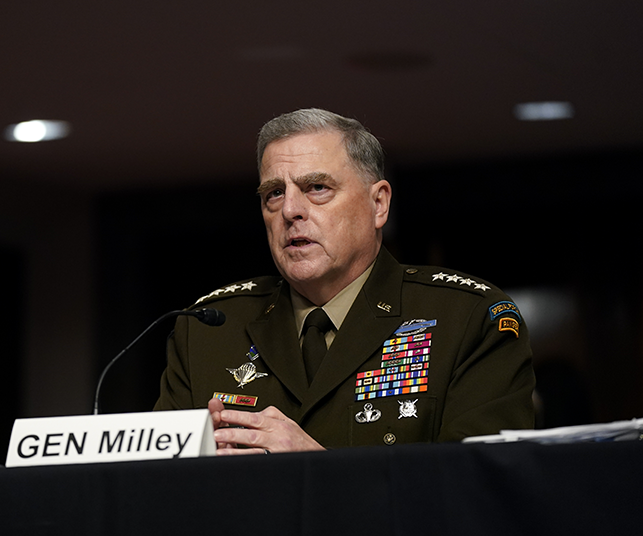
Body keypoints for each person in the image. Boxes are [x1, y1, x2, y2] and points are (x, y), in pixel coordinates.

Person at [154, 108, 535, 454]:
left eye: (317, 188)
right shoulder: (207, 330)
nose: (290, 210)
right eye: (274, 194)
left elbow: (479, 498)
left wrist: (320, 472)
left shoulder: (467, 319)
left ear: (379, 204)